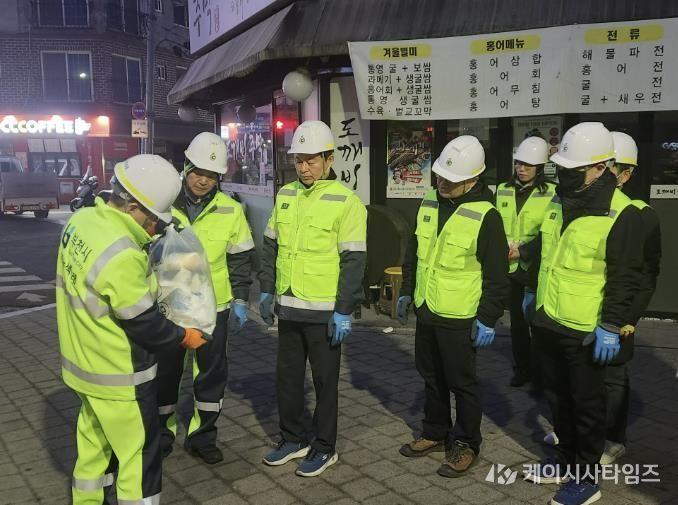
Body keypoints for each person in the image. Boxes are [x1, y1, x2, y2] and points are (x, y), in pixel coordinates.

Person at [56, 154, 209, 505]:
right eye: (153, 219)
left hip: (82, 369)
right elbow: (146, 324)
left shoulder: (81, 221)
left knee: (93, 450)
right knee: (139, 458)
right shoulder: (123, 254)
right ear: (133, 208)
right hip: (119, 377)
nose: (153, 227)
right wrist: (184, 336)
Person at [524, 123, 643, 505]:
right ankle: (563, 461)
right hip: (548, 318)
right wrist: (531, 292)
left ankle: (587, 479)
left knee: (586, 407)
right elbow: (546, 252)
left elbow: (626, 278)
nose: (564, 176)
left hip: (586, 329)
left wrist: (611, 324)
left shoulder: (623, 214)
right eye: (562, 169)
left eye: (573, 170)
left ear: (600, 168)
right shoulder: (559, 200)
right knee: (557, 398)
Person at [258, 120, 367, 477]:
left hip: (324, 313)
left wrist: (344, 309)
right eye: (298, 160)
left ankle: (324, 446)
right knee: (287, 379)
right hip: (289, 306)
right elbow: (271, 245)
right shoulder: (286, 195)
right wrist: (266, 288)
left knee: (324, 383)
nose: (303, 168)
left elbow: (354, 259)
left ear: (329, 159)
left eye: (311, 160)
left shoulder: (346, 202)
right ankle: (293, 439)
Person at [396, 136, 509, 478]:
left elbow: (496, 274)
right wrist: (407, 290)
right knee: (431, 377)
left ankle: (466, 442)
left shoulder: (486, 216)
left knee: (462, 383)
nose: (443, 183)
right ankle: (435, 431)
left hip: (460, 315)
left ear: (473, 179)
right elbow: (415, 251)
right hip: (427, 307)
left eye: (451, 179)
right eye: (440, 176)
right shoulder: (430, 201)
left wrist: (487, 317)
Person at [156, 132, 254, 464]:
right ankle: (162, 434)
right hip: (170, 304)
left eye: (211, 175)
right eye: (198, 172)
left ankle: (203, 437)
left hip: (215, 307)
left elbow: (240, 258)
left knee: (211, 374)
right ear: (186, 167)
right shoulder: (164, 204)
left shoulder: (231, 209)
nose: (203, 180)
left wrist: (241, 299)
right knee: (167, 372)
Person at [601, 132, 662, 464]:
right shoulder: (582, 206)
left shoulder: (640, 213)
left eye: (609, 168)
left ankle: (613, 438)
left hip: (619, 312)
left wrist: (628, 319)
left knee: (612, 378)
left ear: (626, 174)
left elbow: (647, 273)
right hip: (584, 308)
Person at [495, 136, 556, 387]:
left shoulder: (553, 193)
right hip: (510, 268)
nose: (521, 169)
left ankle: (543, 371)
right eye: (519, 163)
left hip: (536, 267)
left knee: (539, 324)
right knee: (518, 324)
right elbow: (495, 225)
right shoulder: (502, 189)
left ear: (539, 167)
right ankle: (523, 369)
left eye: (528, 165)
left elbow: (551, 233)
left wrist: (524, 252)